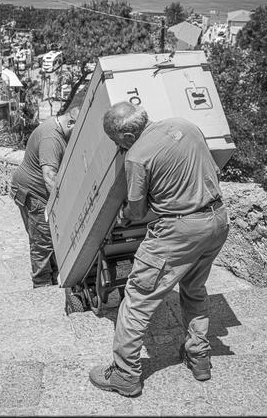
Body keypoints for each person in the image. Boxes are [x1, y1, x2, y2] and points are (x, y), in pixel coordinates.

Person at [89, 101, 229, 397]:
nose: (119, 147)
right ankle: (198, 356)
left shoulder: (137, 156)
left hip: (180, 232)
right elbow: (212, 169)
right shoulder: (185, 125)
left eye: (117, 143)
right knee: (194, 289)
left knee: (138, 298)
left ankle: (125, 375)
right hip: (217, 222)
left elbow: (137, 213)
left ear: (126, 137)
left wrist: (126, 211)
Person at [10, 106, 80, 288]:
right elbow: (50, 177)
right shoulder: (51, 138)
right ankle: (41, 286)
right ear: (70, 123)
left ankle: (53, 277)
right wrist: (66, 206)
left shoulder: (58, 130)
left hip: (37, 191)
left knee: (51, 238)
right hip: (33, 194)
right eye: (78, 132)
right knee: (43, 241)